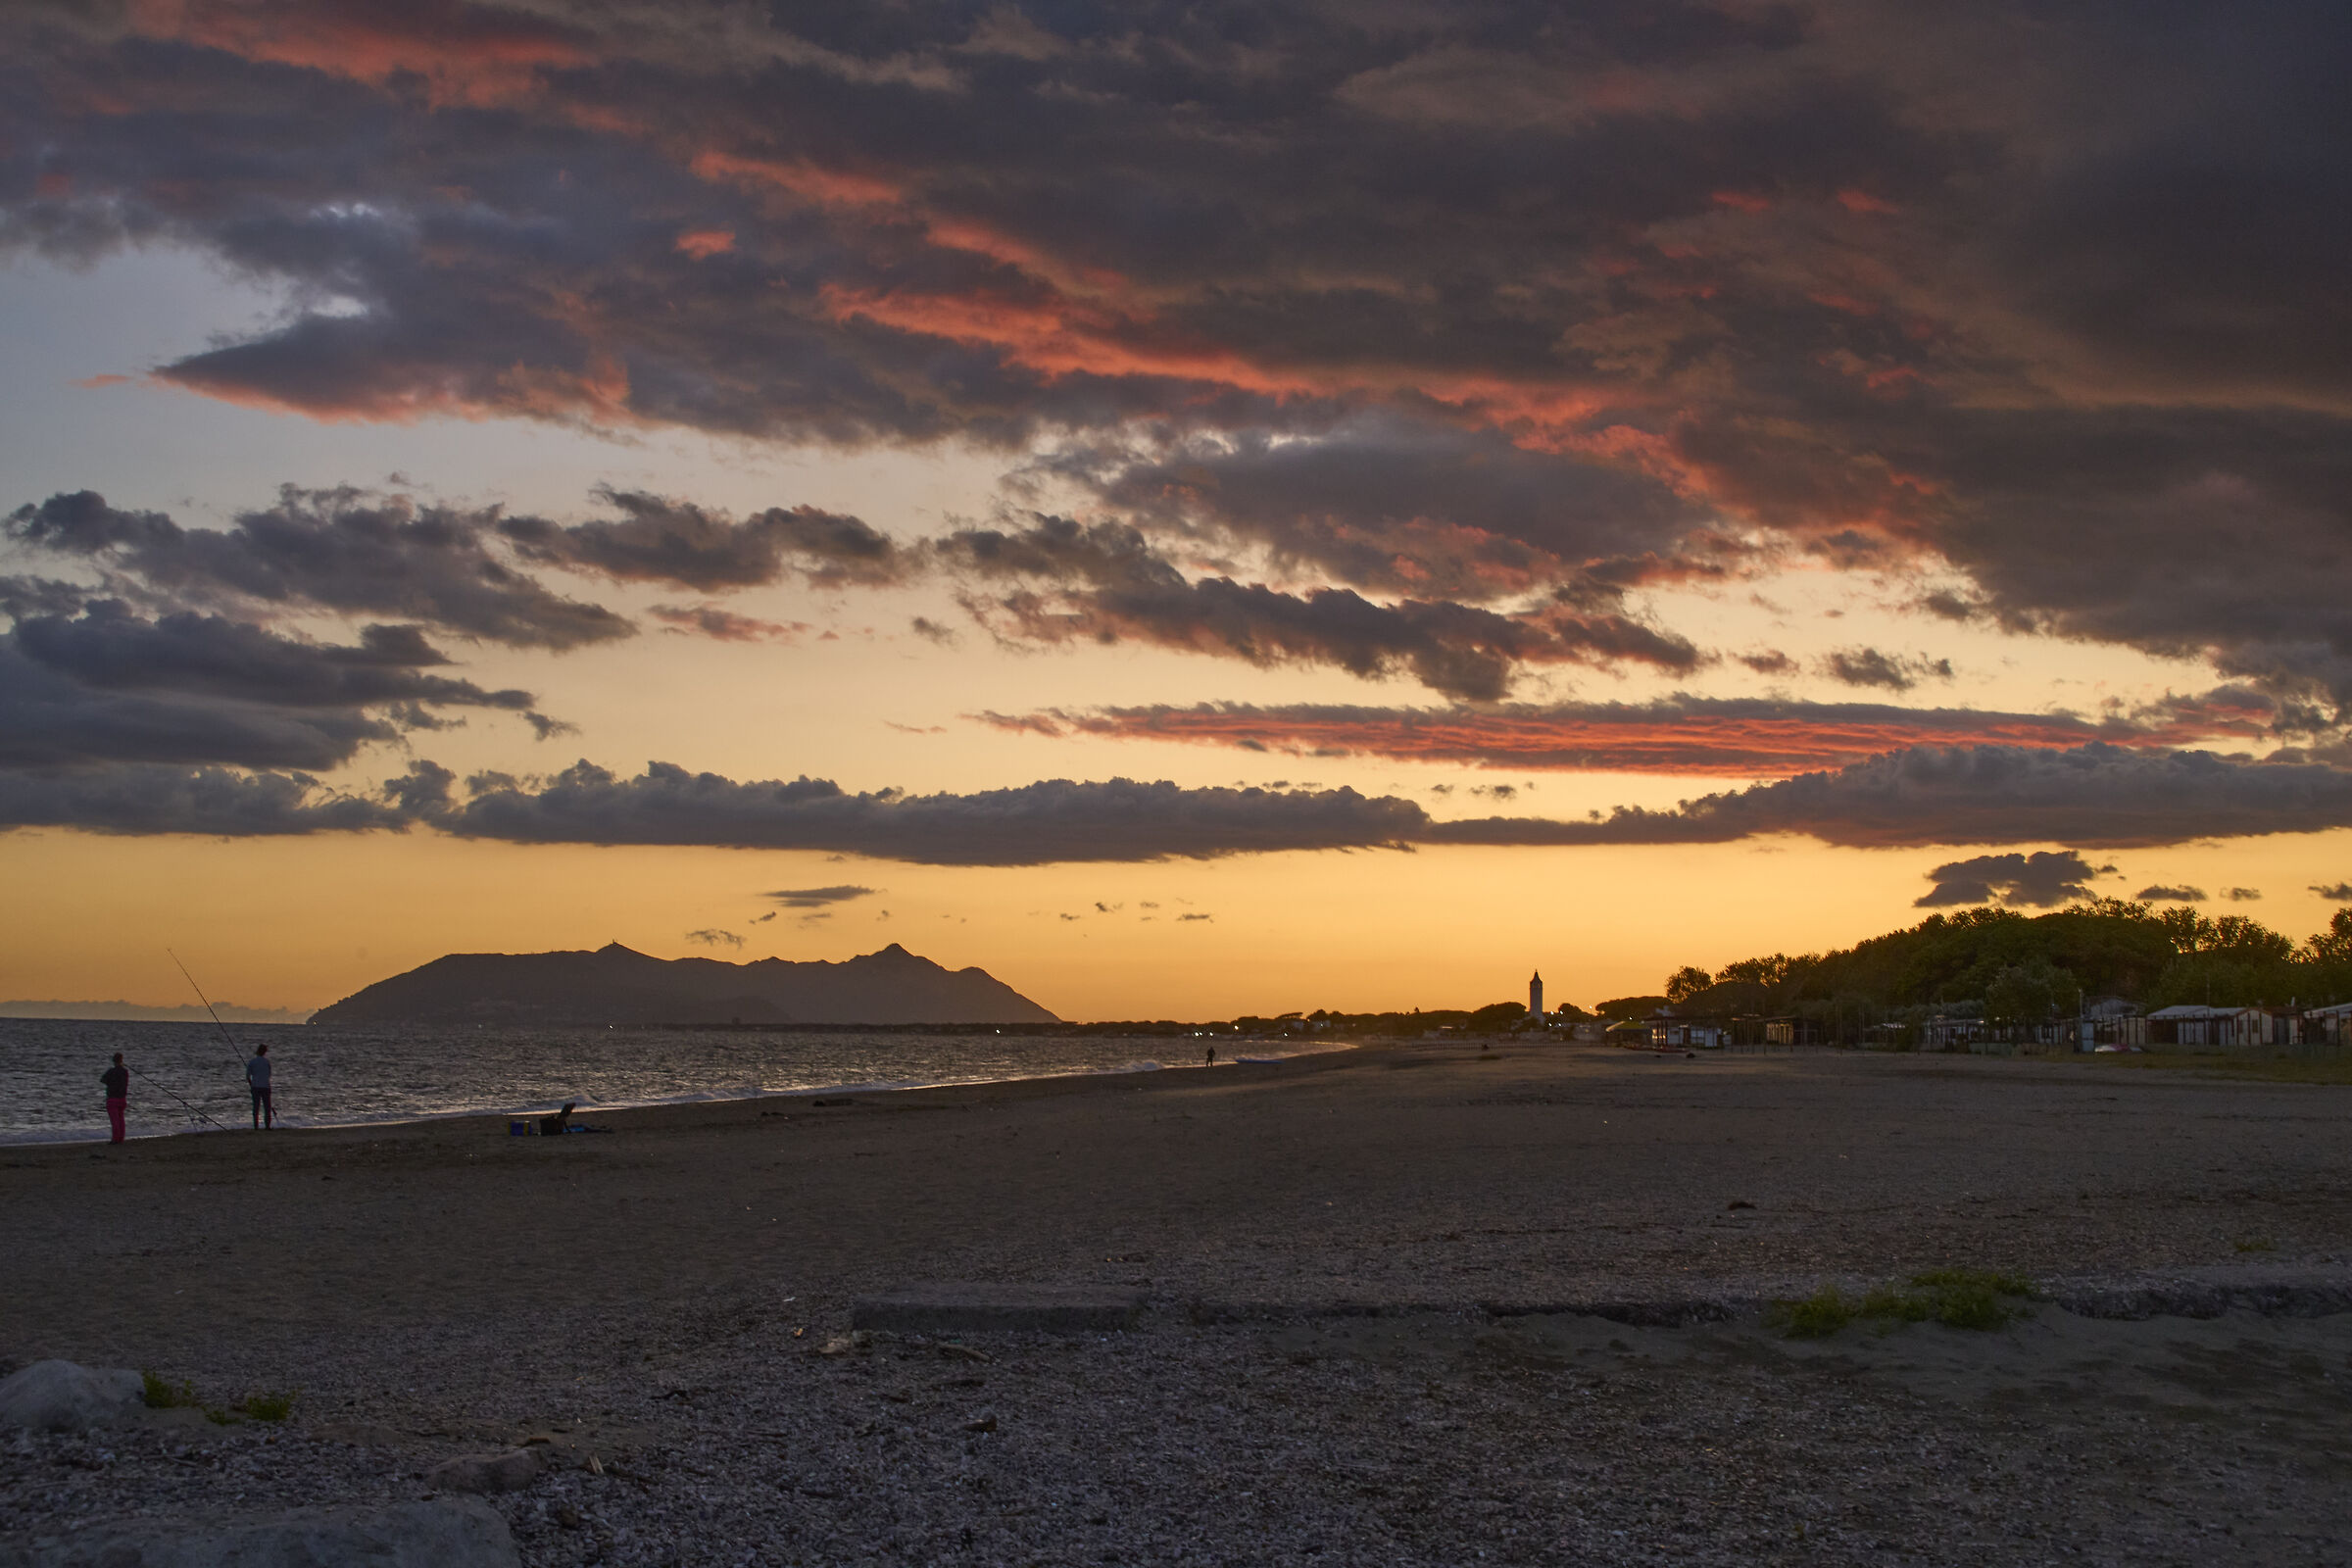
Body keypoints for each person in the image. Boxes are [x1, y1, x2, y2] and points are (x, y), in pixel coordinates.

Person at [102, 1053, 129, 1145]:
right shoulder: (125, 1072)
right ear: (121, 1060)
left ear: (113, 1061)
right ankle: (120, 1138)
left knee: (115, 1121)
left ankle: (115, 1139)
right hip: (122, 1098)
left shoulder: (111, 1071)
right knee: (121, 1119)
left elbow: (103, 1080)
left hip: (112, 1099)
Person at [246, 1043, 273, 1130]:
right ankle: (267, 1126)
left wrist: (251, 1084)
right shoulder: (267, 1062)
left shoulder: (252, 1062)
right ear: (265, 1052)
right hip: (266, 1086)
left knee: (256, 1107)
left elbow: (247, 1076)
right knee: (267, 1108)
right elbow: (269, 1075)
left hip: (256, 1087)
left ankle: (256, 1126)